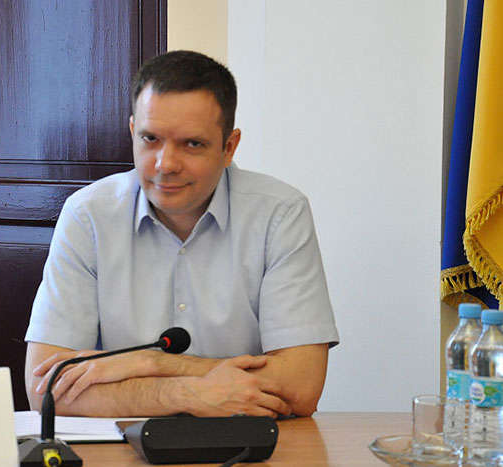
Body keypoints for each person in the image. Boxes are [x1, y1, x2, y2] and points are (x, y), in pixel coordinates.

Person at [24, 50, 339, 419]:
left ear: (229, 147)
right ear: (132, 132)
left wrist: (153, 363)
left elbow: (301, 387)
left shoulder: (279, 214)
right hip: (123, 446)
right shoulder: (88, 215)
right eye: (150, 139)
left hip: (247, 442)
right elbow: (45, 389)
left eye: (192, 144)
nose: (166, 164)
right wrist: (184, 394)